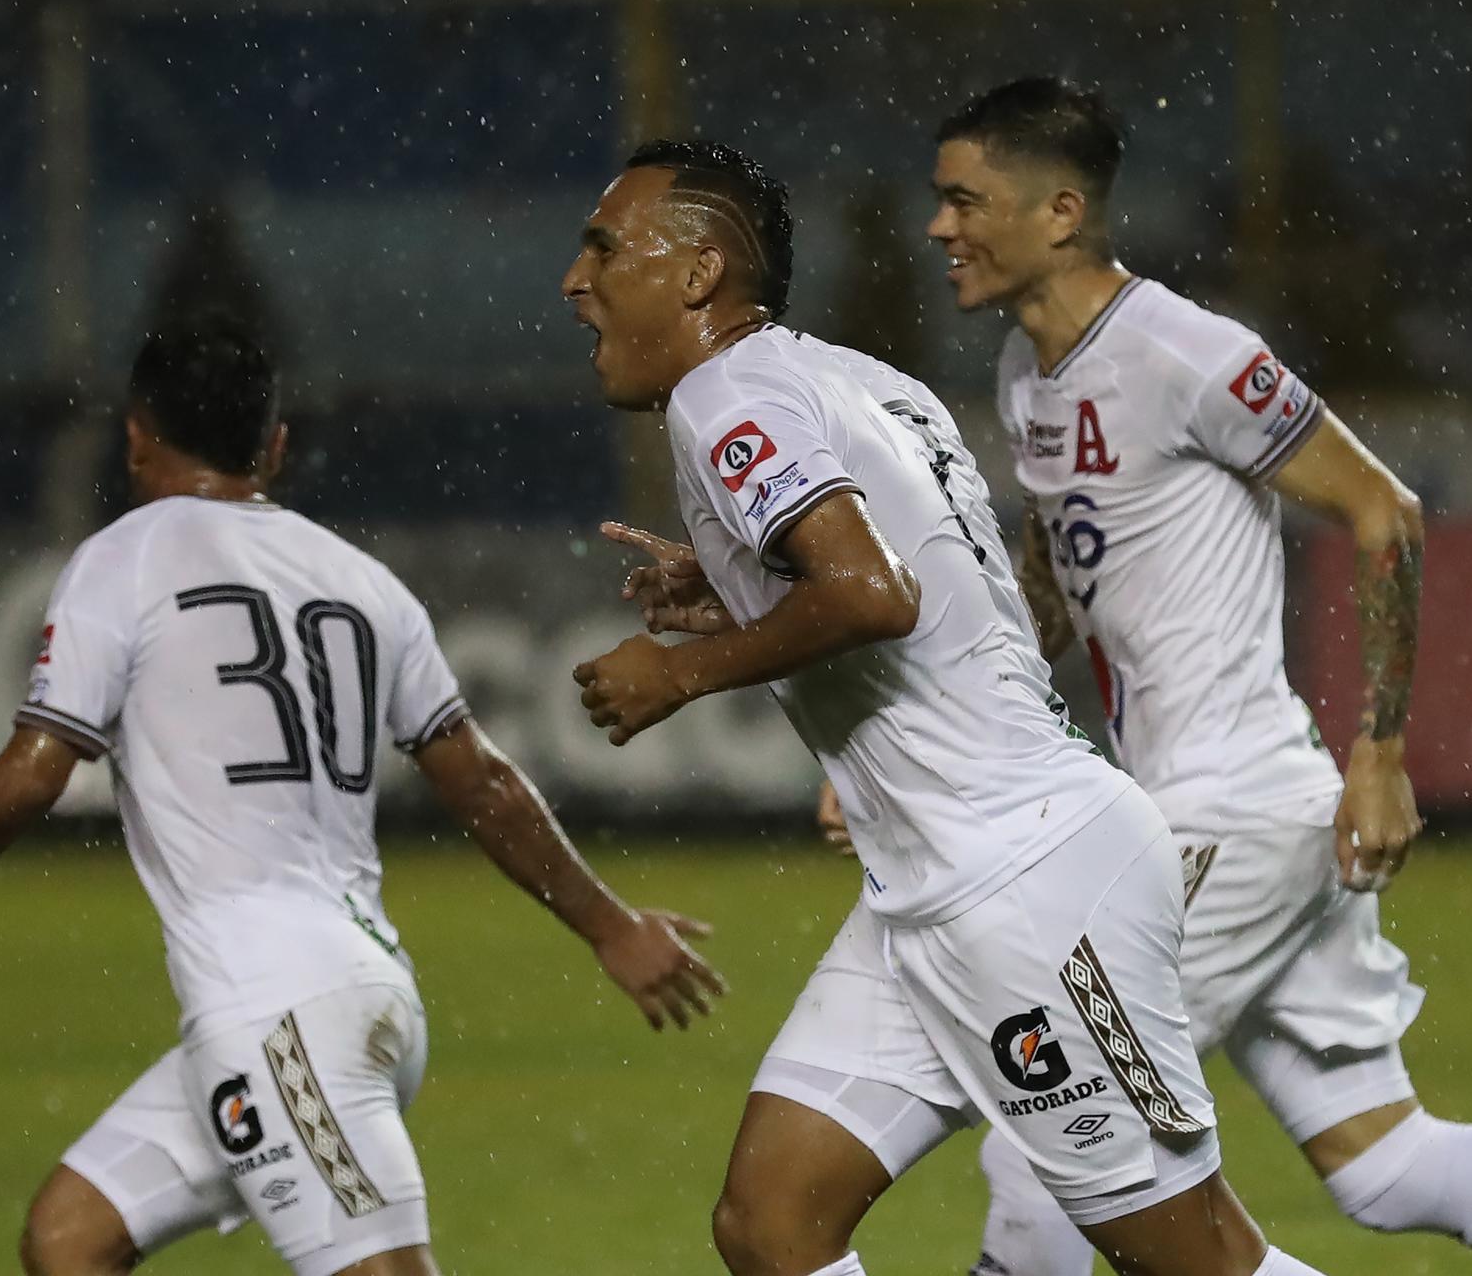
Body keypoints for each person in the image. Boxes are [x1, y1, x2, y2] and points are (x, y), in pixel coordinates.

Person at [913, 76, 1472, 1275]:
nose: (938, 227)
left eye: (962, 200)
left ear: (1058, 212)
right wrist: (929, 709)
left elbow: (1383, 507)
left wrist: (1378, 753)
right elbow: (1052, 585)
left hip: (1238, 808)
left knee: (1053, 1119)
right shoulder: (1024, 370)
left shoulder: (1184, 352)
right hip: (1196, 809)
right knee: (1385, 1160)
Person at [566, 139, 1329, 1276]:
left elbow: (875, 591)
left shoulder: (723, 394)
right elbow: (951, 600)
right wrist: (735, 585)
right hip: (931, 889)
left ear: (696, 274)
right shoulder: (862, 381)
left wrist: (678, 673)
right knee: (772, 1221)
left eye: (603, 250)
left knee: (1196, 1258)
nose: (578, 282)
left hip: (1026, 884)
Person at [0, 315, 725, 1276]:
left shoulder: (126, 558)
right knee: (69, 1239)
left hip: (276, 1012)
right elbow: (480, 779)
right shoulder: (361, 582)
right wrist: (610, 928)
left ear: (136, 436)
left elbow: (35, 770)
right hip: (355, 992)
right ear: (273, 447)